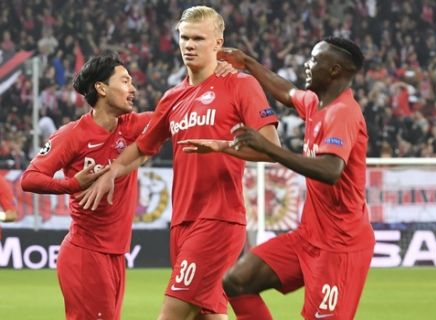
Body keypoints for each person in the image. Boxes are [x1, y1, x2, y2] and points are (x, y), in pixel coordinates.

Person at [78, 6, 280, 320]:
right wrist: (113, 170)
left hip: (219, 220)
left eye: (198, 38)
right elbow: (144, 147)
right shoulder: (173, 97)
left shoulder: (240, 85)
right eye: (184, 37)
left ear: (218, 42)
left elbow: (272, 148)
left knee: (171, 314)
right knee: (206, 314)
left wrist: (224, 146)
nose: (189, 45)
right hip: (182, 222)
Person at [217, 37, 376, 320]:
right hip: (308, 237)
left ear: (335, 70)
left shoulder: (342, 113)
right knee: (237, 282)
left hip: (340, 247)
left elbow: (330, 170)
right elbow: (287, 92)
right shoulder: (316, 103)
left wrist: (270, 149)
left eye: (315, 60)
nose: (307, 64)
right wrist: (248, 62)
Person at [21, 52, 152, 320]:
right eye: (125, 81)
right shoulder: (73, 134)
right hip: (85, 255)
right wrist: (72, 184)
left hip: (116, 255)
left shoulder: (131, 126)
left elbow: (172, 114)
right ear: (101, 88)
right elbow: (29, 178)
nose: (133, 89)